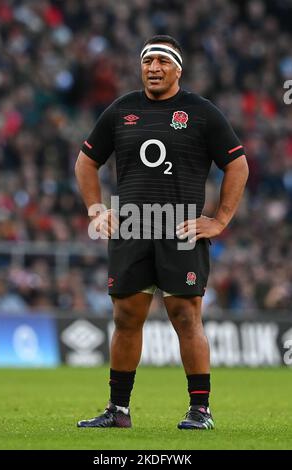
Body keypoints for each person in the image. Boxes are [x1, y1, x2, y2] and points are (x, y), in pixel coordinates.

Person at [75, 35, 249, 430]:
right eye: (147, 61)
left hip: (181, 228)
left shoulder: (201, 112)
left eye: (162, 61)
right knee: (125, 316)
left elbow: (237, 165)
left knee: (186, 316)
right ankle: (118, 411)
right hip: (133, 226)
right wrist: (96, 208)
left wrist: (219, 220)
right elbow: (86, 162)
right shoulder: (121, 110)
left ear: (177, 69)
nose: (153, 68)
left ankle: (200, 410)